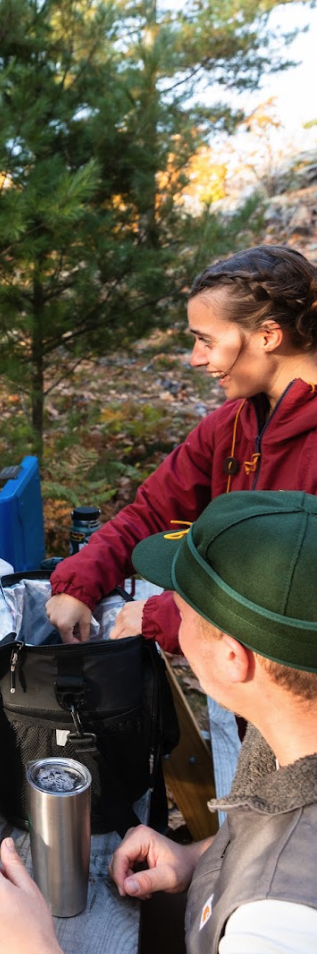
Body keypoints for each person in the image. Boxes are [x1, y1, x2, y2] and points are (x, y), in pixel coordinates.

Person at [0, 490, 317, 954]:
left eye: (182, 599)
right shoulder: (292, 728)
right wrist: (202, 857)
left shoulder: (288, 934)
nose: (166, 605)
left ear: (234, 656)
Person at [46, 244, 317, 651]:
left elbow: (297, 597)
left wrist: (170, 617)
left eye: (206, 341)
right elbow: (154, 512)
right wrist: (81, 579)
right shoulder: (231, 424)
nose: (195, 359)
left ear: (267, 336)